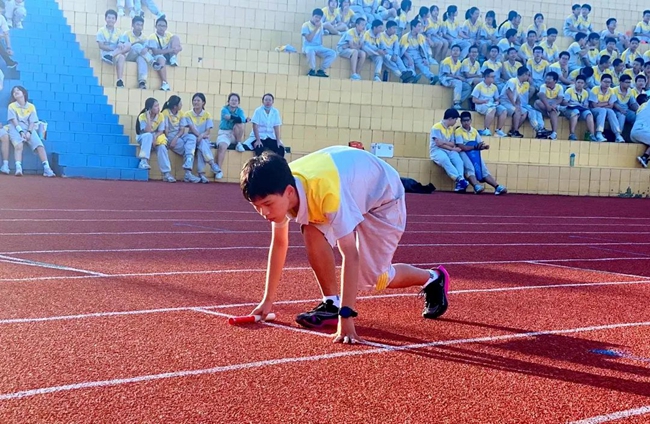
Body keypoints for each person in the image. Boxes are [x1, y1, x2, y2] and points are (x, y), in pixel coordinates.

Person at [240, 146, 451, 344]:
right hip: (351, 184)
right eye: (256, 207)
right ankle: (331, 303)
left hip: (383, 196)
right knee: (311, 228)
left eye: (267, 205)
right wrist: (267, 300)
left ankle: (434, 278)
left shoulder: (327, 194)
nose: (264, 213)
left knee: (375, 278)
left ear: (288, 192)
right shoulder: (279, 183)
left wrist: (347, 316)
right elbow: (279, 243)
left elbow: (350, 255)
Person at [454, 112, 507, 195]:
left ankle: (497, 187)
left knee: (483, 169)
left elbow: (480, 143)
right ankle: (476, 186)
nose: (466, 122)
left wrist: (484, 147)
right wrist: (475, 147)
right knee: (469, 168)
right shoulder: (458, 131)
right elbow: (461, 147)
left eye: (467, 120)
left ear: (471, 120)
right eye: (464, 121)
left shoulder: (474, 131)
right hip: (463, 153)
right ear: (461, 121)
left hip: (475, 153)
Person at [6, 86, 54, 177]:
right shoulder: (11, 106)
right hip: (15, 128)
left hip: (29, 129)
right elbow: (14, 121)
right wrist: (21, 132)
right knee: (19, 146)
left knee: (40, 146)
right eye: (14, 92)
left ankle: (47, 168)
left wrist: (29, 132)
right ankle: (18, 168)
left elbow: (32, 121)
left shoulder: (31, 107)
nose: (16, 92)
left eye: (18, 90)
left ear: (23, 93)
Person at [160, 95, 201, 183]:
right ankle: (188, 174)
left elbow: (182, 130)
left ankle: (188, 163)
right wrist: (172, 140)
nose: (182, 105)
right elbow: (166, 130)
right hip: (169, 135)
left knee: (192, 137)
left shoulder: (181, 113)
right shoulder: (165, 112)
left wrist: (176, 138)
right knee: (189, 149)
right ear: (175, 106)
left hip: (178, 135)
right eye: (180, 103)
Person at [134, 97, 174, 182]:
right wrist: (148, 118)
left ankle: (166, 173)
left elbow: (161, 131)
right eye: (155, 106)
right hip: (143, 137)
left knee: (162, 147)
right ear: (150, 108)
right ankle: (143, 161)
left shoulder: (161, 116)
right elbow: (147, 131)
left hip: (154, 138)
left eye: (158, 105)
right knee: (148, 135)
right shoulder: (142, 116)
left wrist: (155, 137)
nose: (158, 108)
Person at [430, 108, 469, 192]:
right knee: (445, 159)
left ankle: (460, 181)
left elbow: (451, 143)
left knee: (458, 160)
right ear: (450, 118)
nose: (456, 122)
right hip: (436, 151)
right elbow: (438, 144)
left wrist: (446, 144)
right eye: (455, 119)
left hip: (448, 150)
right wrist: (451, 148)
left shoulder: (451, 128)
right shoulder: (436, 127)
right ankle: (459, 180)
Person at [185, 92, 220, 183]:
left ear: (203, 103)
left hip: (202, 138)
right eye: (194, 100)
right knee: (197, 141)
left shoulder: (207, 114)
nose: (196, 102)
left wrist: (201, 136)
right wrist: (199, 136)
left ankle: (201, 174)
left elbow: (208, 131)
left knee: (202, 146)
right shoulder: (188, 114)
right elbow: (191, 128)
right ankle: (212, 164)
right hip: (191, 138)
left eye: (198, 100)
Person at [243, 93, 285, 157]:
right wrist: (258, 140)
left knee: (280, 148)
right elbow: (255, 126)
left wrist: (278, 141)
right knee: (259, 148)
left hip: (270, 136)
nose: (268, 102)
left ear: (272, 102)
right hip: (258, 136)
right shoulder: (258, 111)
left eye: (269, 100)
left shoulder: (275, 112)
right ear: (263, 101)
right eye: (266, 100)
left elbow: (276, 127)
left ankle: (278, 166)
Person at [216, 93, 249, 174]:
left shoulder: (240, 110)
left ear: (238, 102)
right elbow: (241, 119)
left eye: (236, 100)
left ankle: (238, 143)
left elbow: (241, 120)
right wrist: (241, 119)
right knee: (222, 147)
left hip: (234, 134)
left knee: (239, 125)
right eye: (232, 100)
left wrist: (237, 118)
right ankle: (218, 170)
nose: (234, 102)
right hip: (224, 133)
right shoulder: (224, 109)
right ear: (228, 101)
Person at [97, 9, 129, 88]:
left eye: (113, 18)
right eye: (109, 18)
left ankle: (119, 80)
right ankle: (110, 56)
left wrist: (121, 43)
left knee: (127, 45)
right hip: (106, 54)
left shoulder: (119, 31)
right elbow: (101, 46)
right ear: (105, 19)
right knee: (121, 54)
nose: (111, 20)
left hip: (115, 53)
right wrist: (113, 50)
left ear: (115, 20)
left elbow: (122, 43)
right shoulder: (101, 31)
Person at [302, 8, 337, 77]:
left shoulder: (320, 25)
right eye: (316, 17)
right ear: (312, 16)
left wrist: (320, 48)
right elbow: (309, 39)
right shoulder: (305, 25)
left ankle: (321, 70)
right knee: (310, 50)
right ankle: (312, 70)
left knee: (332, 53)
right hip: (308, 46)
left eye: (319, 18)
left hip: (318, 47)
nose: (317, 19)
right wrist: (316, 28)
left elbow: (321, 37)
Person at [561, 75, 597, 141]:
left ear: (584, 84)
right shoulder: (569, 90)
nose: (580, 84)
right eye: (578, 82)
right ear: (575, 82)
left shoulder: (585, 92)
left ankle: (592, 135)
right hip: (569, 109)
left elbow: (586, 105)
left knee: (588, 113)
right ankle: (572, 134)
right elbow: (565, 102)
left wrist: (583, 106)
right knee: (576, 111)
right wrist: (574, 104)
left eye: (582, 83)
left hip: (581, 109)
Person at [632, 94, 650, 167]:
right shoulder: (647, 105)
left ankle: (645, 157)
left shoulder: (641, 108)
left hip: (637, 133)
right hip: (641, 131)